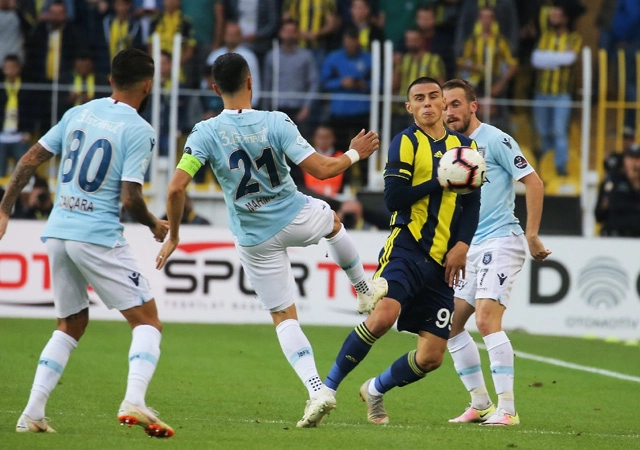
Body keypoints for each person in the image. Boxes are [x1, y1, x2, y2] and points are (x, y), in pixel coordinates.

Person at [155, 52, 388, 428]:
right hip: (295, 215)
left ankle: (317, 390)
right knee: (332, 222)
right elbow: (322, 170)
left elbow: (175, 188)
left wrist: (175, 236)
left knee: (283, 316)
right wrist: (353, 153)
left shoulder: (204, 133)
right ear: (251, 82)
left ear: (214, 89)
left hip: (253, 237)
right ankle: (363, 289)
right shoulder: (276, 122)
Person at [0, 48, 174, 438]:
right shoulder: (139, 130)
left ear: (110, 80)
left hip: (58, 231)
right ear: (148, 85)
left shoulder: (78, 113)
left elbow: (28, 160)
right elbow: (130, 198)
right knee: (148, 322)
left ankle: (32, 413)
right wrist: (153, 224)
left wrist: (5, 210)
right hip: (96, 235)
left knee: (71, 323)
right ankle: (134, 399)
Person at [322, 76, 481, 425]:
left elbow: (472, 204)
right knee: (382, 317)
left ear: (444, 103)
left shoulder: (466, 146)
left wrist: (462, 246)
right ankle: (325, 390)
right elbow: (394, 199)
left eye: (434, 96)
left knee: (431, 358)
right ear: (409, 107)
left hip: (443, 262)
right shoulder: (405, 141)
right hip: (406, 248)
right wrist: (439, 180)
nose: (427, 103)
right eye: (419, 99)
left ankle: (375, 388)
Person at [443, 78, 551, 426]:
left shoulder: (496, 140)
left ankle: (508, 409)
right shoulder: (445, 148)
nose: (449, 112)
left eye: (456, 104)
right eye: (445, 106)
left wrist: (532, 234)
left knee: (486, 320)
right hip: (467, 247)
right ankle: (480, 404)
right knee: (450, 325)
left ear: (473, 106)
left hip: (501, 240)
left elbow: (534, 182)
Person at [531, 2, 584, 177]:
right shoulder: (545, 36)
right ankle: (547, 165)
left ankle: (560, 167)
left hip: (562, 94)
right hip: (541, 92)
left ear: (565, 19)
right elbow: (535, 60)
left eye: (556, 16)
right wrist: (557, 60)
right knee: (544, 132)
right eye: (552, 16)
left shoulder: (574, 38)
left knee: (560, 132)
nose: (553, 19)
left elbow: (569, 59)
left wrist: (547, 59)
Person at [595, 143, 640, 237]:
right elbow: (600, 214)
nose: (634, 162)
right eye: (630, 158)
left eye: (637, 158)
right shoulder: (613, 181)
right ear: (624, 160)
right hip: (615, 235)